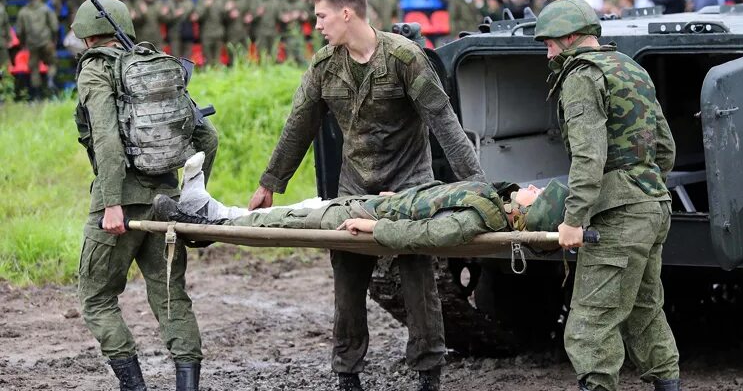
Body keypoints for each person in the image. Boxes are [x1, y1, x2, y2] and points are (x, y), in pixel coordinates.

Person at [246, 0, 485, 391]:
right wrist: (270, 182)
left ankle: (428, 386)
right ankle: (349, 390)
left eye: (320, 17)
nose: (316, 25)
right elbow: (299, 125)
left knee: (418, 282)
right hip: (355, 189)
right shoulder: (324, 66)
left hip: (409, 188)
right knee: (347, 288)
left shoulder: (404, 58)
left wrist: (475, 183)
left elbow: (443, 121)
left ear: (346, 13)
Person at [532, 0, 684, 391]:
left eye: (549, 44)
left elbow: (588, 157)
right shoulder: (632, 69)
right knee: (643, 309)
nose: (547, 54)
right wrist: (645, 185)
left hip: (617, 218)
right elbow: (666, 147)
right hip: (654, 206)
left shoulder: (582, 77)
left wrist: (574, 219)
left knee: (592, 318)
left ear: (569, 38)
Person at [70, 0, 219, 391]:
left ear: (87, 33)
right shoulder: (154, 68)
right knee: (171, 297)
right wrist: (191, 194)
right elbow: (207, 140)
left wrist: (113, 203)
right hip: (164, 205)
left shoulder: (97, 69)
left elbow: (107, 141)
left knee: (97, 297)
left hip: (118, 205)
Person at [153, 153, 569, 252]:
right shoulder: (491, 201)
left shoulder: (482, 217)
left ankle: (201, 221)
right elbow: (435, 201)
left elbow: (428, 233)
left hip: (363, 215)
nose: (533, 187)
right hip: (373, 204)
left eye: (538, 194)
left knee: (280, 220)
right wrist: (402, 199)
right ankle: (206, 212)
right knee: (291, 212)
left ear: (527, 212)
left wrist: (374, 228)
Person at [16, 0, 58, 99]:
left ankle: (37, 95)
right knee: (52, 63)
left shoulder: (23, 12)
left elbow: (19, 32)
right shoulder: (46, 9)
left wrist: (23, 44)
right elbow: (54, 26)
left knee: (34, 69)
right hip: (46, 42)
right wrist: (54, 40)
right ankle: (50, 81)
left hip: (31, 45)